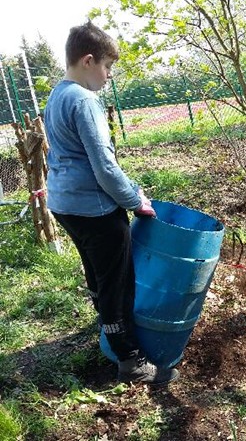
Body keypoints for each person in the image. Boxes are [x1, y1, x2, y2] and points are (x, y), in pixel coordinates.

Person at [45, 21, 178, 385]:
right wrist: (135, 199)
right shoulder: (85, 101)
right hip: (95, 209)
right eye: (107, 67)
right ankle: (129, 359)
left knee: (98, 275)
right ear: (88, 61)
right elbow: (104, 167)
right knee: (117, 283)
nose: (108, 77)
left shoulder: (57, 94)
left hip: (65, 204)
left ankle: (107, 326)